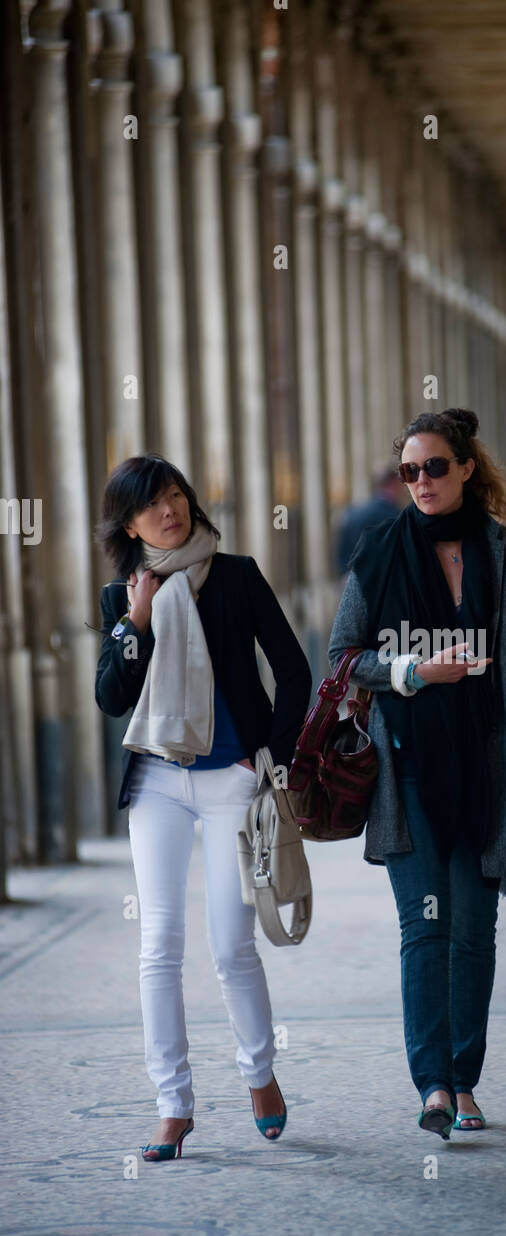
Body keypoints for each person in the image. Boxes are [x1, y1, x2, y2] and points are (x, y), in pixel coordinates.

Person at [328, 407, 506, 1138]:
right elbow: (345, 657)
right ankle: (432, 1085)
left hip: (485, 766)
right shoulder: (378, 553)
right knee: (423, 930)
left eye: (435, 467)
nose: (422, 482)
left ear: (467, 467)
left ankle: (464, 1081)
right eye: (409, 471)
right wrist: (410, 670)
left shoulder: (505, 552)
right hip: (403, 769)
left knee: (473, 929)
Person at [93, 455, 311, 1158]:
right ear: (128, 523)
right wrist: (137, 622)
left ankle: (259, 1073)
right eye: (152, 503)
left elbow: (295, 668)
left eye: (176, 495)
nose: (169, 509)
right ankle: (173, 1104)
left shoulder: (238, 575)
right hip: (157, 782)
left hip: (230, 783)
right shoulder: (122, 595)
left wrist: (270, 752)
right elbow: (109, 696)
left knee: (230, 943)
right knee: (158, 945)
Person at [335, 465, 404, 576]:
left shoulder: (352, 512)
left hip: (352, 579)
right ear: (393, 483)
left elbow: (341, 552)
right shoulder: (394, 515)